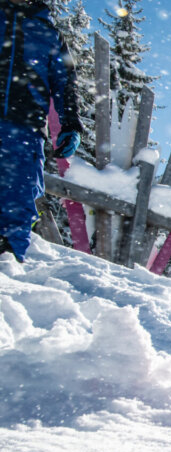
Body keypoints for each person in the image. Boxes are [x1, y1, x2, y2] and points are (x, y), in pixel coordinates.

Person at [0, 0, 82, 262]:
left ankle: (7, 265)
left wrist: (71, 124)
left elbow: (65, 83)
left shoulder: (49, 33)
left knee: (19, 198)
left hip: (26, 128)